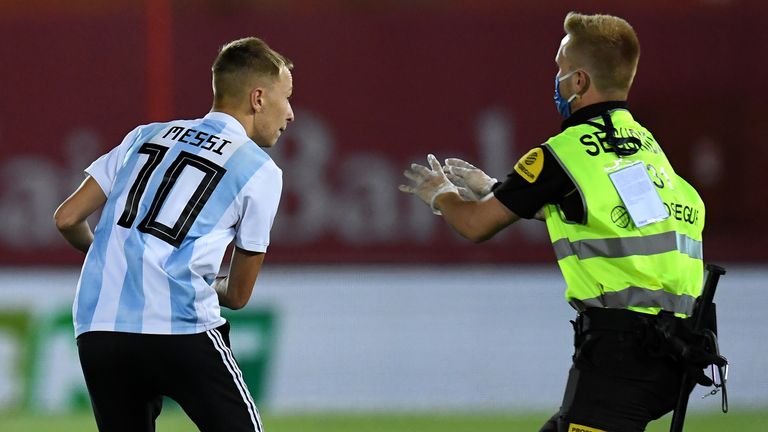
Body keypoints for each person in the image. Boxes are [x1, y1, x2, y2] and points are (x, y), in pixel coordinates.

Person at [400, 12, 717, 432]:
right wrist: (497, 187)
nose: (557, 80)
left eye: (561, 70)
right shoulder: (645, 146)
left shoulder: (562, 154)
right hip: (676, 352)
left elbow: (476, 226)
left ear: (580, 82)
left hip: (619, 356)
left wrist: (440, 194)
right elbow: (605, 217)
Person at [53, 36, 293, 432]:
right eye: (286, 97)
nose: (291, 114)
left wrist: (115, 260)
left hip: (100, 328)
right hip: (179, 328)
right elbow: (237, 294)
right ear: (258, 99)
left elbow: (66, 218)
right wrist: (186, 275)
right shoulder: (260, 170)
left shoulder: (143, 136)